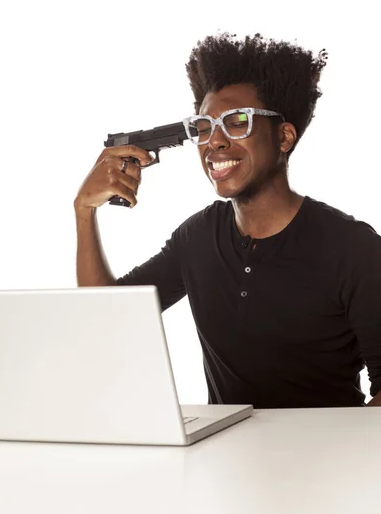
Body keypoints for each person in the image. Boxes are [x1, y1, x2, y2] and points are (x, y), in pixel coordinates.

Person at [74, 32, 381, 409]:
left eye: (238, 122)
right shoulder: (197, 238)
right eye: (204, 127)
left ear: (284, 137)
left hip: (328, 461)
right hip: (224, 461)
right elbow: (105, 317)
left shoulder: (351, 248)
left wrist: (336, 457)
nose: (214, 141)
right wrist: (84, 211)